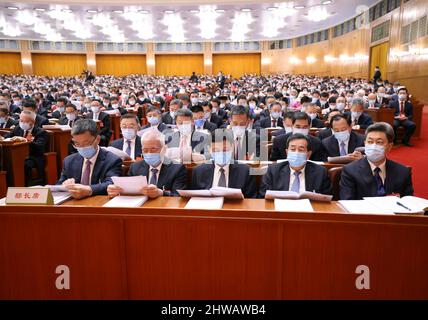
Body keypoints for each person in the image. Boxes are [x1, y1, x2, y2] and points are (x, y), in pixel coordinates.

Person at [339, 122, 413, 200]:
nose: (373, 146)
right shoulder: (350, 170)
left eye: (379, 142)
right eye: (370, 142)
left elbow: (408, 203)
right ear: (365, 144)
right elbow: (347, 203)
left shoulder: (402, 172)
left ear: (389, 146)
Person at [107, 129, 187, 198]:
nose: (149, 153)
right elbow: (129, 191)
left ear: (164, 149)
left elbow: (178, 197)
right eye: (145, 150)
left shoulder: (177, 168)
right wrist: (117, 190)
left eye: (153, 149)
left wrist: (161, 193)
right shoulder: (135, 167)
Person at [56, 119, 122, 199]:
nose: (82, 147)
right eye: (77, 144)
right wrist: (64, 185)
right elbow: (59, 185)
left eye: (86, 143)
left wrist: (89, 190)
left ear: (97, 139)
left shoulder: (112, 160)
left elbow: (111, 183)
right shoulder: (69, 161)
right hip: (74, 204)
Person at [191, 129, 257, 198]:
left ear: (232, 147)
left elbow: (252, 200)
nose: (221, 154)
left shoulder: (245, 171)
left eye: (225, 150)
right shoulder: (199, 171)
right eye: (215, 150)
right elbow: (193, 198)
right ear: (209, 149)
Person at [260, 133, 331, 197]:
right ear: (287, 152)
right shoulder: (273, 171)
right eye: (293, 149)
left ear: (308, 154)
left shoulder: (321, 172)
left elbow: (326, 200)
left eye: (301, 150)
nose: (296, 153)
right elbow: (264, 196)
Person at [1, 110, 48, 185]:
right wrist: (4, 139)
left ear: (32, 122)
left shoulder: (41, 132)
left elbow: (39, 147)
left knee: (24, 165)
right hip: (17, 155)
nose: (22, 123)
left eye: (24, 121)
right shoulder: (18, 128)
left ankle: (26, 185)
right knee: (7, 162)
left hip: (33, 157)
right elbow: (7, 136)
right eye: (21, 120)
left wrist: (25, 140)